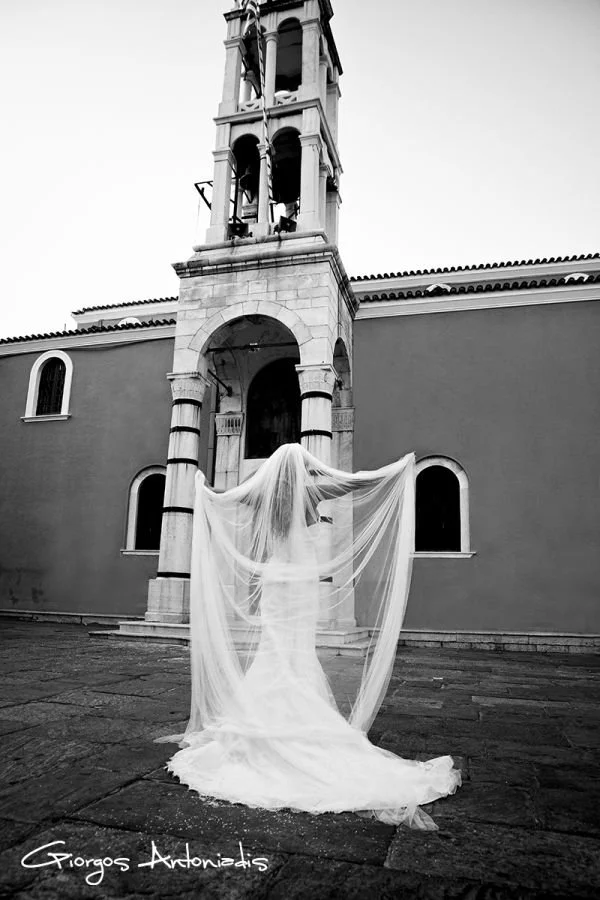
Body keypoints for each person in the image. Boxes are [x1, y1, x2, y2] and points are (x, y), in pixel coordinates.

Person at [163, 443, 461, 829]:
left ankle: (265, 720)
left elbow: (225, 496)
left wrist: (203, 486)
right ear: (302, 467)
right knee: (296, 649)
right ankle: (295, 715)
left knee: (274, 648)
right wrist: (399, 467)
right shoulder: (312, 491)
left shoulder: (260, 492)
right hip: (302, 582)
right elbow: (354, 484)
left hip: (275, 580)